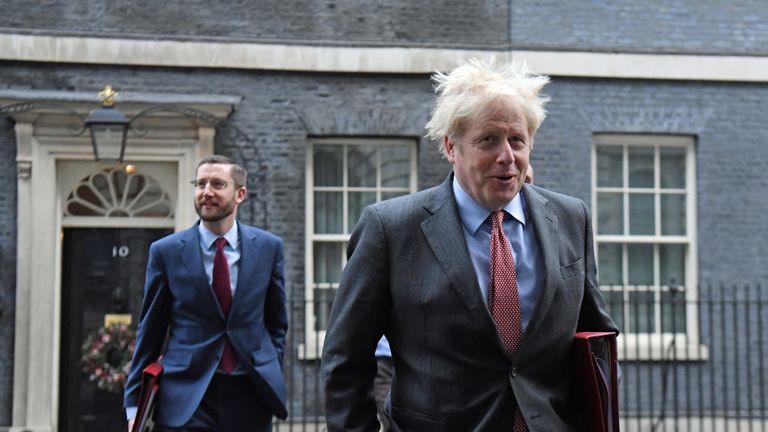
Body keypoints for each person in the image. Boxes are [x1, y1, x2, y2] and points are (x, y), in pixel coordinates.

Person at [321, 59, 618, 431]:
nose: (506, 156)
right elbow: (345, 360)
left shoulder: (572, 217)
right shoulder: (391, 228)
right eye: (488, 140)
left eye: (517, 140)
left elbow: (595, 343)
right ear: (451, 147)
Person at [124, 155, 288, 432]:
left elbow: (277, 323)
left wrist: (268, 365)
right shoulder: (166, 251)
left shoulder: (269, 248)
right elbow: (150, 331)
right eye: (200, 184)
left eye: (217, 184)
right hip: (186, 397)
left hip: (250, 394)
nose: (206, 192)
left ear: (240, 194)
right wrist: (133, 405)